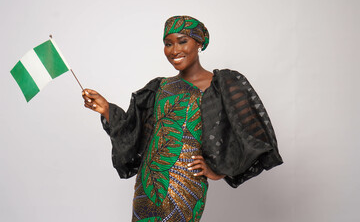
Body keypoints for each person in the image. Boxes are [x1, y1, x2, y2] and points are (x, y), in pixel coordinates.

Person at [82, 15, 283, 222]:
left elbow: (251, 137)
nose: (174, 50)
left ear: (199, 43)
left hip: (186, 183)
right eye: (168, 44)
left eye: (182, 41)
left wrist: (217, 171)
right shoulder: (159, 87)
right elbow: (134, 131)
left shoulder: (222, 84)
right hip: (148, 182)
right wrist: (106, 109)